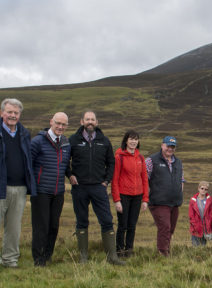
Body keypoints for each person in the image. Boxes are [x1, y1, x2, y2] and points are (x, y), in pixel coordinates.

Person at [0, 98, 36, 270]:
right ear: (2, 113)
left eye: (16, 113)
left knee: (14, 227)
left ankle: (11, 260)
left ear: (20, 115)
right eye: (9, 112)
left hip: (20, 188)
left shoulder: (24, 134)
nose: (12, 115)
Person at [67, 111, 123, 265]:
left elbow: (111, 162)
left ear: (97, 122)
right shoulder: (73, 140)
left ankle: (112, 257)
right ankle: (83, 257)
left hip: (99, 187)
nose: (90, 122)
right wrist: (70, 175)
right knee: (81, 221)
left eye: (92, 119)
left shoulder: (104, 141)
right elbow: (65, 160)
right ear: (81, 121)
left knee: (106, 220)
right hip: (79, 188)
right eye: (87, 119)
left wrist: (106, 180)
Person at [30, 112, 71, 267]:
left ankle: (47, 256)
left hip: (58, 192)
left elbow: (66, 165)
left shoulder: (66, 143)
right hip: (41, 192)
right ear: (51, 122)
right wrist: (32, 186)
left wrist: (71, 175)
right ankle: (38, 259)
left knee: (54, 225)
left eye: (63, 124)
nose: (60, 127)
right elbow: (29, 164)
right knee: (41, 226)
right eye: (58, 123)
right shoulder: (38, 141)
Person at [111, 130, 149, 258]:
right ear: (126, 140)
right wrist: (117, 200)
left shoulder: (140, 158)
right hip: (123, 195)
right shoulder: (119, 157)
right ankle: (119, 251)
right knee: (123, 225)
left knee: (132, 225)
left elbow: (144, 178)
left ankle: (129, 251)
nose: (133, 141)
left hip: (137, 196)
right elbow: (114, 180)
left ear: (138, 142)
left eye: (136, 139)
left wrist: (145, 199)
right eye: (131, 139)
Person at [145, 136, 184, 256]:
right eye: (168, 146)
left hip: (175, 202)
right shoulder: (151, 160)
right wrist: (145, 199)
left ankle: (166, 249)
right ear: (162, 145)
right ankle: (162, 252)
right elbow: (144, 179)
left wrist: (180, 193)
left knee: (170, 229)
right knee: (165, 227)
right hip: (158, 202)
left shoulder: (178, 162)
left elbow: (181, 180)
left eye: (172, 147)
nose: (170, 149)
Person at [188, 181, 212, 246]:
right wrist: (195, 225)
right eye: (202, 188)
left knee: (203, 247)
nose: (203, 190)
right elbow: (191, 215)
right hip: (195, 228)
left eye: (206, 189)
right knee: (195, 247)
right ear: (198, 188)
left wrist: (209, 224)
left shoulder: (210, 200)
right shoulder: (193, 200)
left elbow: (211, 214)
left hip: (205, 228)